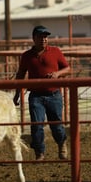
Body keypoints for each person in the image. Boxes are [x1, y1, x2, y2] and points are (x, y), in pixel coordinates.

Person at [13, 25, 71, 161]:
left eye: (46, 37)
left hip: (54, 94)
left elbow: (67, 68)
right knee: (37, 125)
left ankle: (62, 144)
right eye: (41, 37)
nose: (44, 39)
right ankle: (39, 152)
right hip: (36, 95)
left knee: (56, 125)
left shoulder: (55, 51)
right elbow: (20, 74)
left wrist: (57, 74)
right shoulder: (27, 56)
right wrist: (16, 94)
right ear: (34, 38)